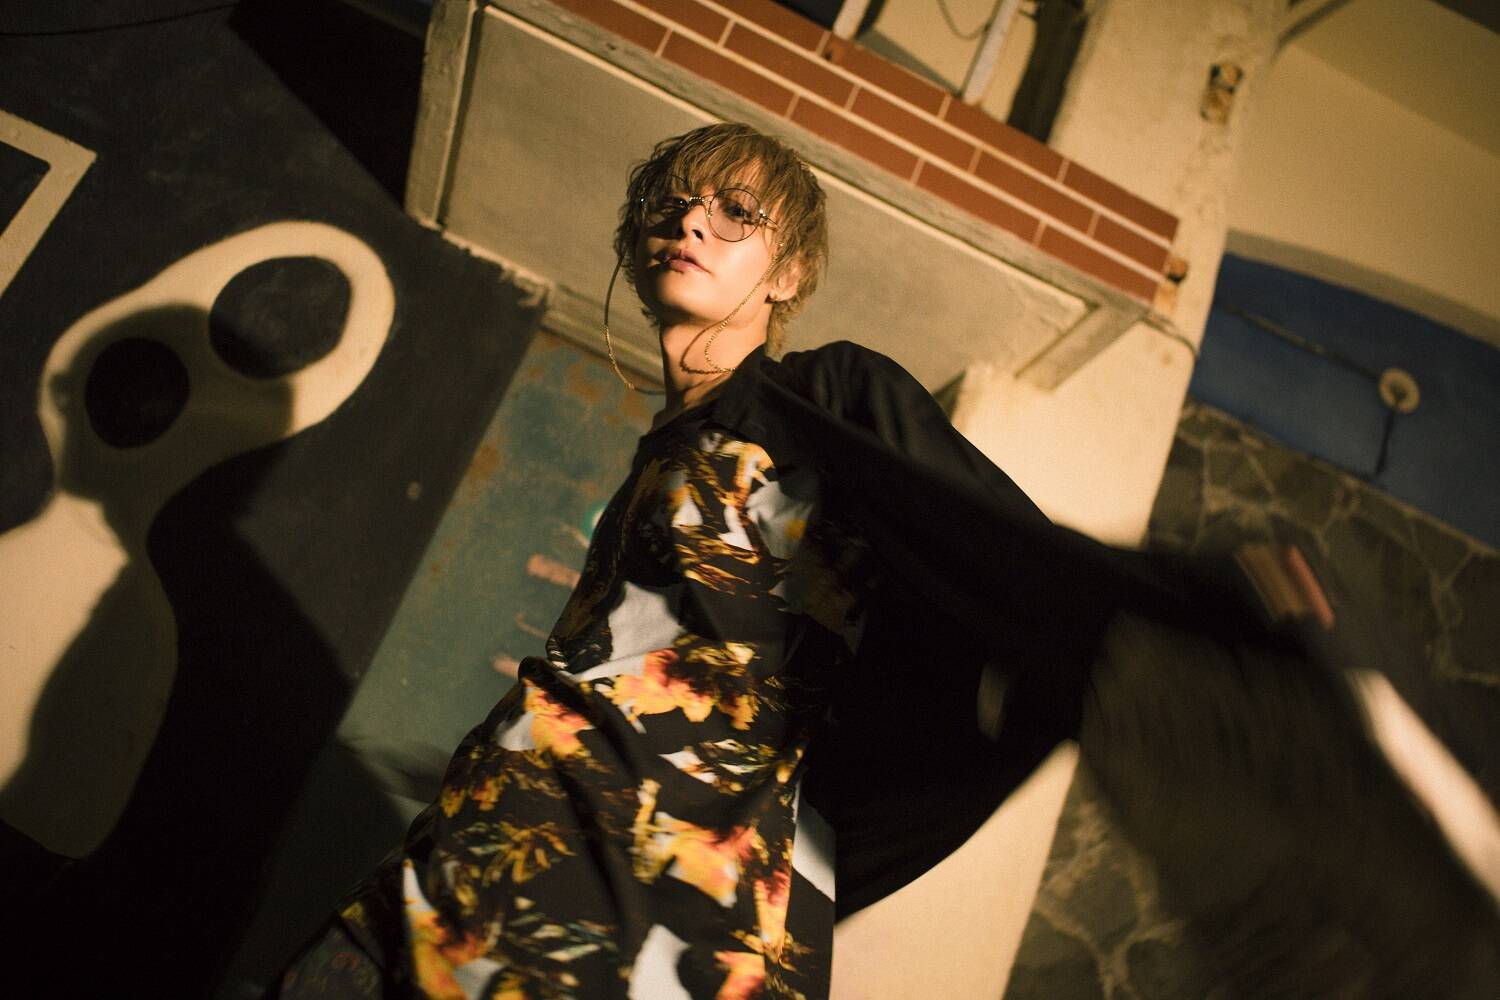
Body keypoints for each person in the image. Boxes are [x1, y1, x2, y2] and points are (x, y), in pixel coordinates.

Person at [273, 123, 1499, 999]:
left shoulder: (820, 402)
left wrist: (1207, 613)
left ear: (788, 274)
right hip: (458, 867)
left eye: (736, 212)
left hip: (639, 920)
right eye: (675, 204)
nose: (691, 220)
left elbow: (996, 550)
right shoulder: (665, 455)